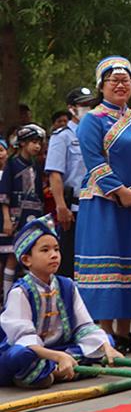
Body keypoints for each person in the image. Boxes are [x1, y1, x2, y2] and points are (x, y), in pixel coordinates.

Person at [75, 56, 131, 353]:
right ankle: (106, 334)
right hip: (104, 205)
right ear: (101, 87)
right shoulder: (92, 120)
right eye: (113, 80)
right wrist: (119, 191)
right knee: (109, 265)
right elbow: (93, 162)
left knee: (130, 264)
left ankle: (125, 333)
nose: (120, 85)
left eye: (126, 80)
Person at [0, 215, 123, 388]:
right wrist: (58, 357)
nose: (54, 255)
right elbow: (22, 338)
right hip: (32, 352)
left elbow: (84, 326)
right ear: (27, 260)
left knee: (106, 340)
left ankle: (53, 372)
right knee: (20, 354)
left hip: (61, 349)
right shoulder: (20, 292)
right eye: (45, 250)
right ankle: (61, 369)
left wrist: (106, 348)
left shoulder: (67, 285)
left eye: (56, 249)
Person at [45, 87, 99, 279]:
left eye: (90, 105)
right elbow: (55, 174)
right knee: (69, 261)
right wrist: (61, 206)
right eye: (83, 105)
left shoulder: (97, 133)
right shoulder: (63, 137)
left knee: (95, 260)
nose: (88, 108)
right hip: (74, 209)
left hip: (97, 205)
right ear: (71, 108)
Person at [1, 124, 46, 299]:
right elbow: (4, 193)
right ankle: (7, 297)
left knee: (30, 255)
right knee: (13, 256)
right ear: (22, 143)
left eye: (39, 143)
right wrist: (6, 219)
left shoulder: (36, 166)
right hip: (15, 216)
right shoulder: (12, 165)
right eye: (33, 142)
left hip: (33, 216)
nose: (37, 146)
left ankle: (30, 296)